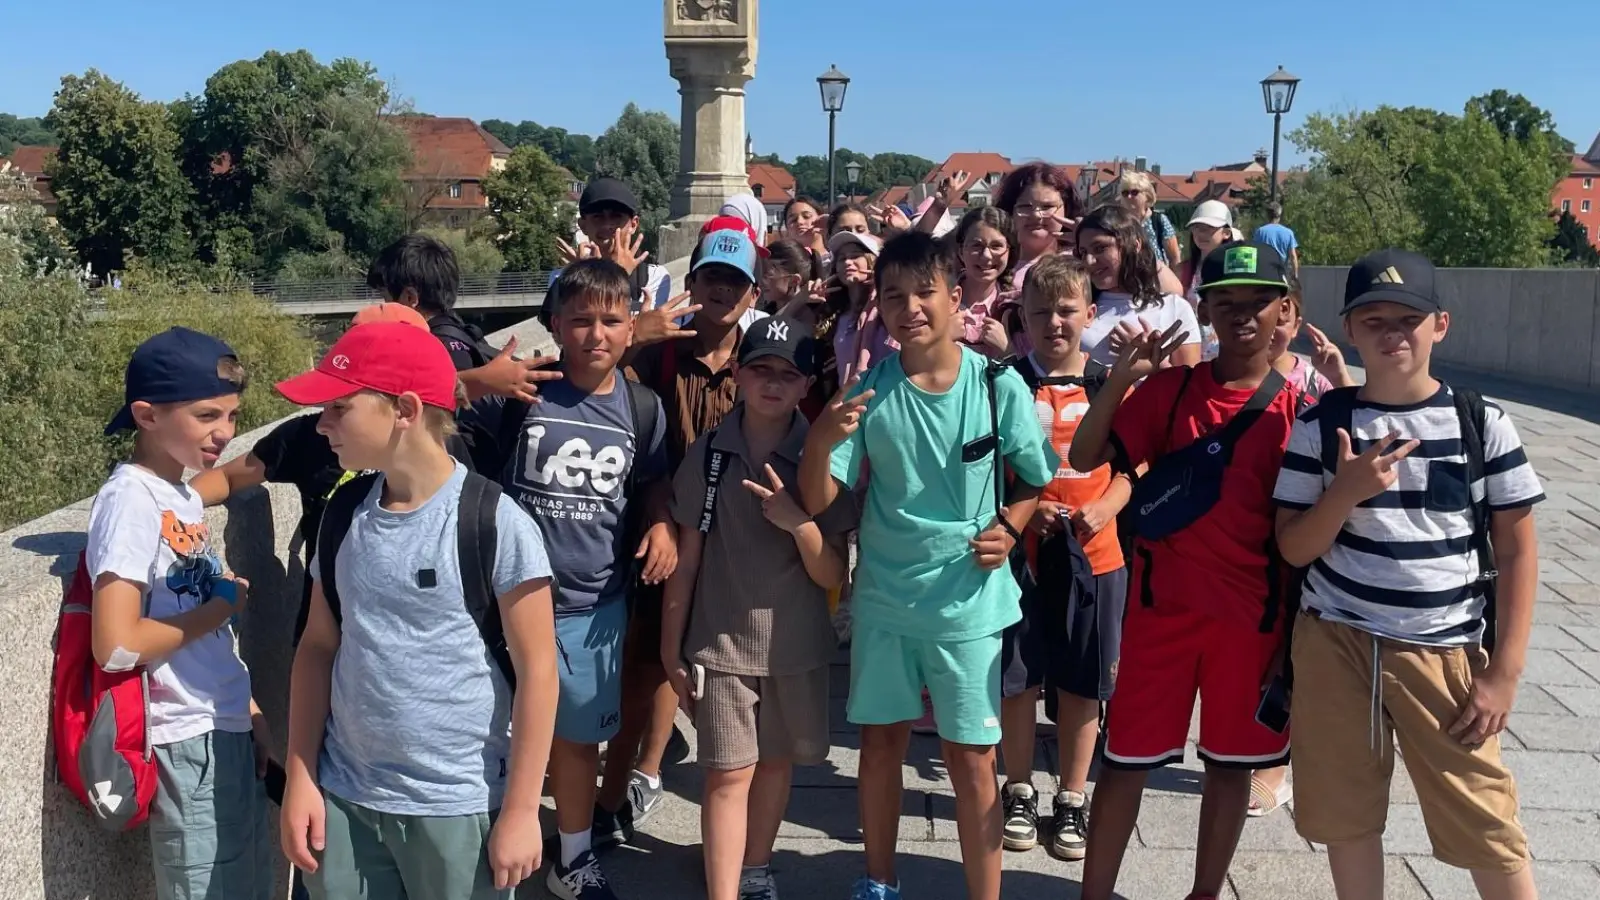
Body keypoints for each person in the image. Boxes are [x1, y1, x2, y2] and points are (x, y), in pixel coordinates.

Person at [1274, 249, 1543, 900]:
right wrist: (1343, 494)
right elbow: (1293, 548)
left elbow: (1517, 550)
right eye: (1374, 320)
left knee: (1486, 818)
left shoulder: (1481, 424)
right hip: (1337, 643)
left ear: (1440, 325)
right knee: (1346, 816)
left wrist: (1503, 672)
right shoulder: (1322, 425)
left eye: (1408, 319)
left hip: (1443, 650)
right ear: (1350, 331)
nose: (1392, 332)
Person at [799, 231, 1056, 900]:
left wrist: (1009, 526)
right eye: (892, 296)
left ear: (954, 296)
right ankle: (878, 881)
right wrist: (824, 435)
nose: (909, 307)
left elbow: (1033, 481)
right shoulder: (869, 393)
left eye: (923, 293)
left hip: (970, 604)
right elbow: (822, 496)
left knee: (971, 757)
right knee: (879, 746)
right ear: (877, 306)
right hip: (885, 602)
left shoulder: (999, 387)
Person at [275, 321, 559, 900]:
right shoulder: (343, 512)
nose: (321, 425)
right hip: (346, 797)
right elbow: (318, 647)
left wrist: (524, 810)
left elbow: (539, 672)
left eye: (338, 407)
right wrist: (301, 777)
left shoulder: (493, 523)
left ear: (403, 410)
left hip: (457, 805)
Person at [1067, 241, 1305, 900]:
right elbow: (1087, 456)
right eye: (1225, 303)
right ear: (1205, 310)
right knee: (1124, 766)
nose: (1241, 317)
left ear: (1283, 308)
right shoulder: (1170, 392)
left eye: (1257, 303)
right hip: (1159, 615)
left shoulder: (1297, 410)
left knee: (1230, 769)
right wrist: (1122, 379)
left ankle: (1204, 894)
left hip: (1250, 624)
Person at [472, 259, 673, 898]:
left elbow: (652, 485)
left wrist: (663, 523)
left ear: (632, 325)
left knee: (578, 738)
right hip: (505, 601)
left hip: (593, 604)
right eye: (580, 320)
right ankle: (491, 842)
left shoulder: (643, 408)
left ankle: (573, 857)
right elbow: (422, 410)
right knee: (492, 731)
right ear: (555, 324)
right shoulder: (523, 392)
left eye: (612, 321)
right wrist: (477, 380)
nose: (595, 334)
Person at [661, 316, 857, 900]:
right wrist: (671, 649)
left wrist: (799, 524)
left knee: (775, 766)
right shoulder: (709, 456)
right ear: (739, 375)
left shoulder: (822, 458)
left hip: (796, 645)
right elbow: (688, 561)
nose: (773, 383)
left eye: (788, 373)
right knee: (725, 773)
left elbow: (833, 576)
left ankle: (755, 867)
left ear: (805, 386)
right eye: (760, 369)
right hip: (722, 643)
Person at [89, 327, 274, 900]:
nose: (225, 433)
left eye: (233, 415)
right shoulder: (130, 501)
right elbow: (116, 643)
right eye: (206, 416)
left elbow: (189, 618)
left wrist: (247, 709)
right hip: (183, 743)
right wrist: (222, 605)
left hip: (223, 726)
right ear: (146, 416)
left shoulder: (183, 495)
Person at [599, 228, 769, 837]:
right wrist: (627, 341)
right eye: (711, 277)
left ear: (753, 294)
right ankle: (611, 801)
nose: (722, 289)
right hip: (663, 530)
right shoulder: (658, 353)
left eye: (736, 281)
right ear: (691, 282)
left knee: (741, 689)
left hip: (740, 545)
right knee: (642, 675)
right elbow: (605, 410)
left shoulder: (763, 359)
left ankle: (736, 836)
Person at [189, 304, 435, 647]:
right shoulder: (308, 437)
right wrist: (170, 508)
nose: (324, 422)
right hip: (327, 635)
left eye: (341, 406)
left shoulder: (455, 475)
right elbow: (228, 478)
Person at [997, 255, 1131, 861]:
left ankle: (1073, 798)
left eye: (1067, 310)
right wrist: (1022, 511)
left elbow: (1138, 464)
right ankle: (1019, 789)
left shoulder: (1111, 381)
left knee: (1083, 683)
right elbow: (980, 466)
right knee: (1017, 679)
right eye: (1041, 311)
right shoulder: (1001, 381)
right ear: (1021, 316)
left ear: (1091, 314)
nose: (1054, 322)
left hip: (1096, 555)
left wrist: (1106, 507)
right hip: (1019, 556)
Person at [368, 233, 561, 405]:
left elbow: (430, 402)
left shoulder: (439, 349)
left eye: (384, 296)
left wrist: (478, 381)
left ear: (410, 297)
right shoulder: (461, 333)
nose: (380, 306)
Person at [1075, 205, 1202, 370]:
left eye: (1100, 249)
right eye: (1083, 252)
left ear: (1134, 245)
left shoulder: (1175, 308)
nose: (1089, 261)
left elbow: (1190, 386)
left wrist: (1147, 359)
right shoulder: (1077, 307)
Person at [546, 177, 673, 323]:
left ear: (633, 224)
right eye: (598, 217)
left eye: (616, 216)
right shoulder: (560, 278)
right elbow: (562, 337)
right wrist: (581, 278)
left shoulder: (655, 276)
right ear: (583, 225)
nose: (607, 225)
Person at [992, 161, 1083, 287]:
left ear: (1066, 209)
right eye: (1025, 206)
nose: (1036, 215)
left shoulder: (1082, 262)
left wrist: (1088, 242)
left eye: (1047, 207)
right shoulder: (991, 264)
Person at [951, 206, 1020, 359]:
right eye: (976, 246)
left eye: (996, 246)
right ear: (961, 251)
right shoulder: (939, 301)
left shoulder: (1017, 308)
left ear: (1010, 250)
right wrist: (941, 340)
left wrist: (1007, 350)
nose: (986, 256)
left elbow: (1032, 375)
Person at [828, 230, 896, 383]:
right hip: (849, 401)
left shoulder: (887, 305)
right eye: (842, 258)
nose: (847, 262)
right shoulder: (838, 314)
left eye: (855, 256)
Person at [1180, 200, 1238, 362]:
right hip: (1191, 352)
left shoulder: (1236, 270)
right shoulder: (1184, 270)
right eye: (1197, 228)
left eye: (1209, 228)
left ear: (1226, 233)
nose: (1201, 233)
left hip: (1226, 353)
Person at [1117, 170, 1181, 267]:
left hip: (1157, 278)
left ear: (1147, 195)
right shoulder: (1117, 223)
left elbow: (1175, 258)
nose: (1129, 196)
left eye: (1134, 192)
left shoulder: (1159, 220)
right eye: (1125, 193)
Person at [1252, 202, 1300, 276]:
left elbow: (1254, 253)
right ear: (1279, 215)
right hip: (1281, 272)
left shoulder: (1260, 232)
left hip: (1264, 272)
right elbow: (1293, 256)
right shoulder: (1288, 233)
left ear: (1267, 215)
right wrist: (1295, 275)